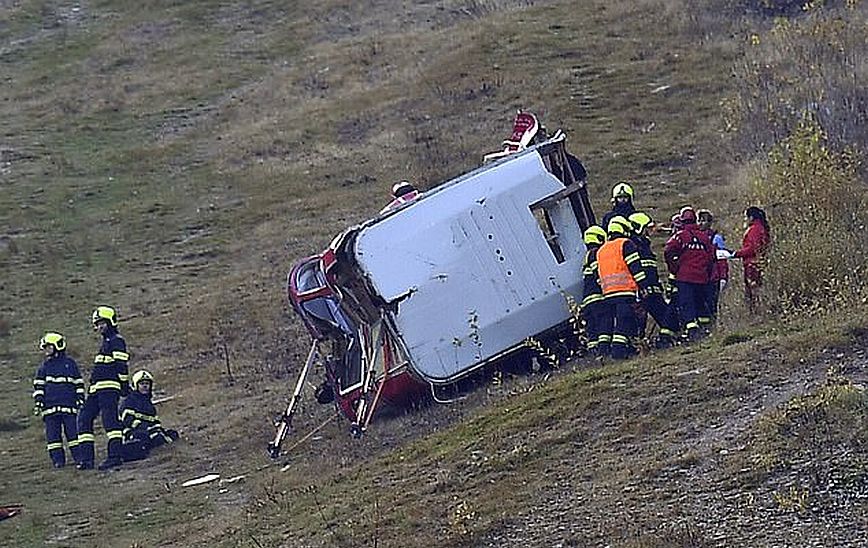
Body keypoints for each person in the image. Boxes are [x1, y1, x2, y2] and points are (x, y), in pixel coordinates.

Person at [77, 306, 129, 471]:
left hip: (109, 389)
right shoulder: (106, 342)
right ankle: (86, 460)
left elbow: (122, 365)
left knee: (110, 422)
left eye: (102, 323)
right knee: (84, 419)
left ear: (111, 322)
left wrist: (124, 385)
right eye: (98, 324)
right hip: (96, 390)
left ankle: (115, 456)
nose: (99, 327)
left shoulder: (116, 341)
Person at [597, 216, 648, 359]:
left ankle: (613, 352)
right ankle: (618, 354)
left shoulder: (601, 250)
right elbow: (635, 268)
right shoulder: (626, 244)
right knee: (624, 323)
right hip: (625, 291)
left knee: (613, 324)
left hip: (608, 294)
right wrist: (643, 287)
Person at [32, 332, 85, 468]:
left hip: (68, 407)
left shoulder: (70, 364)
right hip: (50, 410)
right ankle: (58, 461)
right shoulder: (44, 367)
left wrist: (80, 398)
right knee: (53, 438)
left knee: (73, 435)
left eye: (48, 347)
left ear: (57, 346)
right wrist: (39, 402)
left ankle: (79, 458)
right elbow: (39, 387)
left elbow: (78, 383)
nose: (46, 350)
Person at [664, 207, 715, 341]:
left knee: (687, 304)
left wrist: (674, 267)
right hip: (702, 278)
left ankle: (692, 331)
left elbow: (668, 250)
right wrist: (707, 274)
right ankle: (706, 329)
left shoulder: (681, 235)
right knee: (700, 304)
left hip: (685, 278)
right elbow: (711, 258)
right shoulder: (705, 237)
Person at [628, 213, 678, 348]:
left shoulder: (643, 244)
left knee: (667, 318)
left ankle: (665, 341)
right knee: (638, 325)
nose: (648, 233)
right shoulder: (632, 246)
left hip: (653, 290)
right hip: (642, 292)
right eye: (646, 229)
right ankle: (640, 347)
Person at [119, 370, 179, 462]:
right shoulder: (130, 401)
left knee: (167, 435)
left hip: (148, 431)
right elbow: (128, 420)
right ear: (136, 385)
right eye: (142, 383)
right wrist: (144, 428)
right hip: (132, 432)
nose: (145, 386)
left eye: (147, 383)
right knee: (142, 437)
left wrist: (159, 431)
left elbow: (155, 422)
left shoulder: (149, 405)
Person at [732, 206, 770, 311]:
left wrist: (736, 254)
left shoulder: (754, 230)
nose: (745, 220)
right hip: (759, 262)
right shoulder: (762, 228)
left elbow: (753, 248)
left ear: (751, 217)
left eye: (746, 217)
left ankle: (755, 313)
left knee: (752, 292)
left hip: (752, 264)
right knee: (756, 289)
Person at [579, 225, 607, 357]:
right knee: (603, 324)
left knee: (592, 329)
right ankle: (603, 352)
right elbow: (599, 274)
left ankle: (594, 354)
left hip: (587, 300)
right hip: (597, 297)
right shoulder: (595, 254)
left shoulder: (586, 255)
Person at [697, 209, 729, 319]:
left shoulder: (716, 238)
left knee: (711, 306)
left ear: (710, 223)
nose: (700, 223)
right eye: (699, 220)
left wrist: (723, 277)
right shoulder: (694, 237)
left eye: (703, 220)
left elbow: (722, 259)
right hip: (699, 277)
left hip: (713, 278)